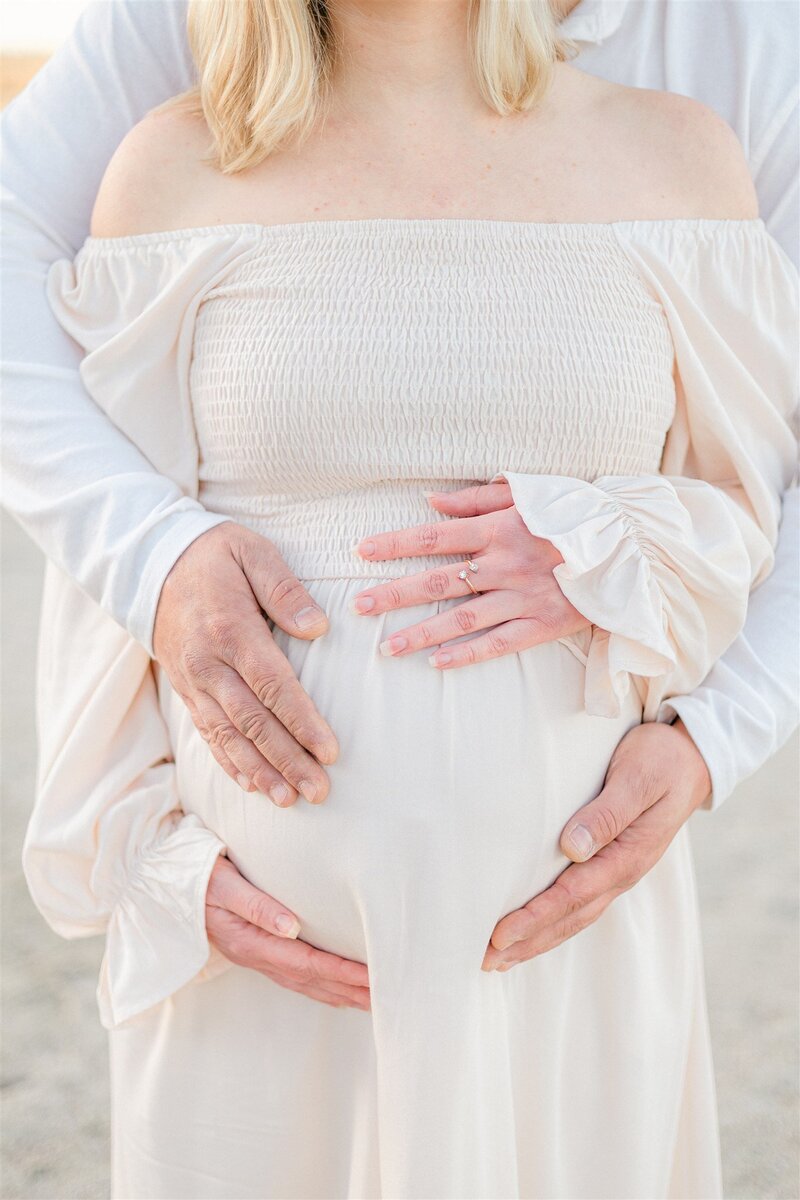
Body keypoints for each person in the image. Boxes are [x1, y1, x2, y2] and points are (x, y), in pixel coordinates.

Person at [4, 0, 798, 1196]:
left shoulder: (689, 143)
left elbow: (745, 503)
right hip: (256, 966)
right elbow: (109, 555)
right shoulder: (166, 161)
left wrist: (697, 722)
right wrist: (147, 861)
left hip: (563, 949)